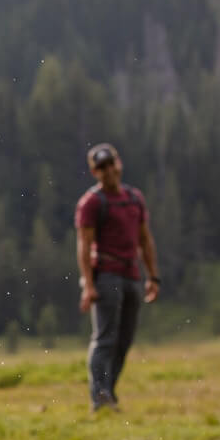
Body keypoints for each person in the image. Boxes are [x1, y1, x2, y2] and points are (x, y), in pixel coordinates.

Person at [74, 143, 160, 411]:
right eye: (102, 167)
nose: (108, 171)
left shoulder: (134, 198)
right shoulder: (91, 203)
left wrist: (153, 277)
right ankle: (100, 398)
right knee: (105, 339)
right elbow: (84, 247)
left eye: (111, 164)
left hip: (133, 275)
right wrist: (88, 285)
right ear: (94, 172)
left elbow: (145, 240)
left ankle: (108, 392)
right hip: (106, 276)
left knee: (124, 340)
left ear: (118, 163)